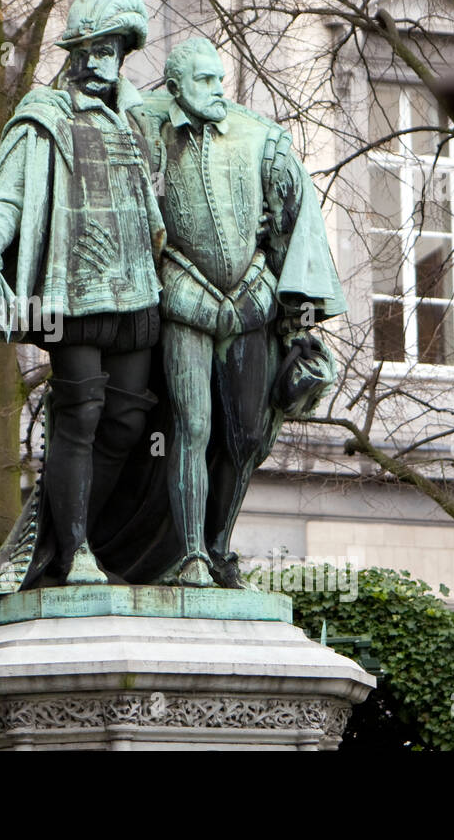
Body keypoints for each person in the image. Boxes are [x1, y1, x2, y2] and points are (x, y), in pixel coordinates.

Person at [0, 0, 165, 586]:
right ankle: (73, 554)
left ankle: (85, 537)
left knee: (128, 423)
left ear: (124, 52)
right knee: (79, 413)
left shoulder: (141, 118)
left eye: (110, 50)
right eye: (88, 50)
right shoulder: (45, 116)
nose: (98, 62)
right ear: (73, 54)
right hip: (69, 297)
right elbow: (5, 195)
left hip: (137, 292)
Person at [140, 37, 347, 587]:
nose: (218, 89)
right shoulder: (147, 130)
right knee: (191, 426)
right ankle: (189, 555)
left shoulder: (260, 137)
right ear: (175, 86)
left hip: (252, 301)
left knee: (250, 435)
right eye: (204, 81)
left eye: (220, 79)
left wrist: (299, 317)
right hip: (184, 296)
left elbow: (292, 223)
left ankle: (219, 545)